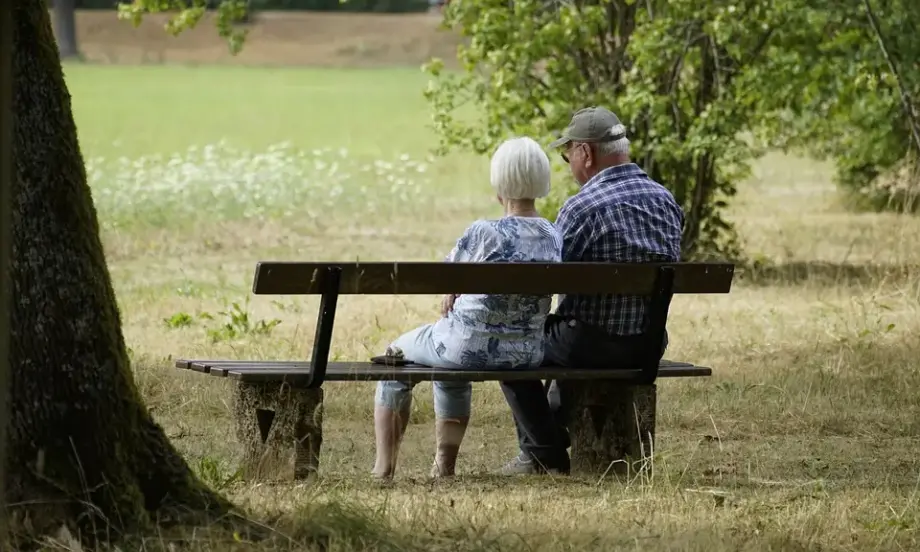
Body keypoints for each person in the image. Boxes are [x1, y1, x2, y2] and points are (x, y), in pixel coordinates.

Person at [497, 106, 685, 475]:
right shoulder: (666, 201)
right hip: (647, 344)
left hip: (589, 345)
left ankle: (543, 453)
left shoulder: (581, 208)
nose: (569, 165)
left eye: (568, 156)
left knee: (510, 344)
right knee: (564, 331)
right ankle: (549, 436)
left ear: (585, 152)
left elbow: (547, 278)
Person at [372, 136, 563, 480]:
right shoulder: (553, 235)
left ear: (499, 184)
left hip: (465, 348)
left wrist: (453, 289)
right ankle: (442, 466)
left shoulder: (483, 232)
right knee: (448, 364)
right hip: (525, 354)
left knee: (395, 355)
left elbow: (445, 277)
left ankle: (384, 468)